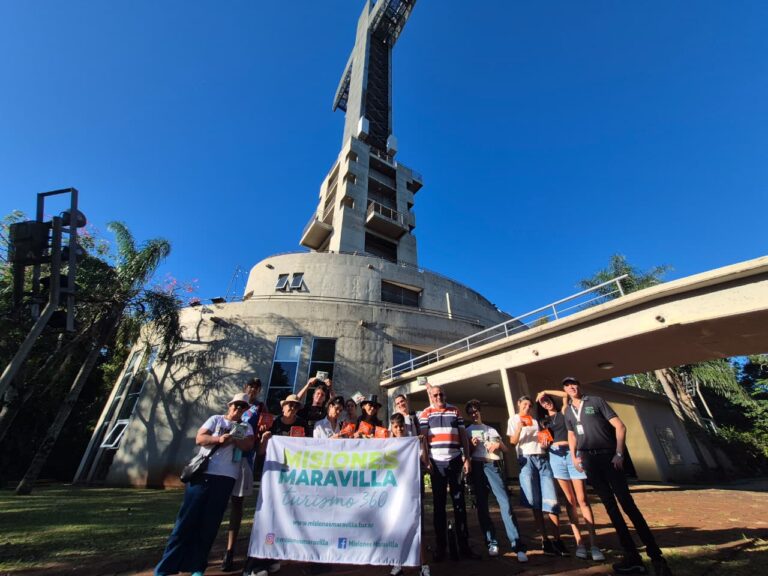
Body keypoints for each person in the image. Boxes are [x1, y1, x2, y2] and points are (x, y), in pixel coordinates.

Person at [563, 377, 672, 576]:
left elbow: (620, 426)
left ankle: (656, 557)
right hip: (589, 459)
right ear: (564, 389)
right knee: (610, 507)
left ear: (579, 385)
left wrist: (619, 453)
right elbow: (571, 435)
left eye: (574, 383)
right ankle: (632, 557)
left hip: (609, 457)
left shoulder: (596, 401)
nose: (572, 387)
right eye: (567, 385)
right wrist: (574, 457)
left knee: (627, 504)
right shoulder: (568, 411)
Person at [154, 393, 255, 576]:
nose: (238, 409)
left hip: (226, 477)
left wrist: (234, 439)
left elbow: (248, 446)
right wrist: (219, 439)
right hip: (203, 475)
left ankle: (197, 566)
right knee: (185, 521)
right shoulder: (216, 420)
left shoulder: (245, 426)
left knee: (210, 524)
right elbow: (200, 438)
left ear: (246, 410)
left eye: (243, 407)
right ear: (229, 404)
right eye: (236, 405)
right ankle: (167, 565)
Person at [535, 389, 604, 562]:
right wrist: (543, 444)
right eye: (542, 402)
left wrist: (543, 391)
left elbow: (565, 395)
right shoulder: (543, 422)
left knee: (582, 499)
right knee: (570, 501)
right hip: (555, 458)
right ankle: (580, 543)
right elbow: (543, 443)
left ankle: (594, 544)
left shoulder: (564, 412)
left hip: (571, 455)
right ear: (541, 406)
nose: (546, 402)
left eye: (547, 400)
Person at [243, 394, 308, 576]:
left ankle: (271, 557)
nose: (292, 408)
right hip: (272, 476)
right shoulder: (273, 423)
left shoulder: (302, 424)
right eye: (290, 405)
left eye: (295, 406)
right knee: (265, 517)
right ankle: (253, 564)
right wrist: (264, 439)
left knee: (283, 517)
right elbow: (261, 451)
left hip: (291, 477)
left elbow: (307, 449)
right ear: (283, 406)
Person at [419, 385, 481, 562]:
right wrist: (426, 460)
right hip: (436, 463)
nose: (439, 397)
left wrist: (467, 458)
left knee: (459, 504)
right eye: (435, 394)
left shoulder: (455, 411)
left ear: (445, 395)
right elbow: (423, 439)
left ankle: (464, 545)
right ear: (431, 396)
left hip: (455, 461)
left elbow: (463, 436)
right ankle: (441, 547)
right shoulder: (426, 413)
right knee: (439, 506)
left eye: (441, 394)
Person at [465, 399, 528, 563]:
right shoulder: (467, 431)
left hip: (492, 465)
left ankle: (517, 544)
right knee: (482, 507)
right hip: (477, 466)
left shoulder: (490, 429)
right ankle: (491, 542)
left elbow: (506, 449)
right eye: (471, 412)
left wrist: (497, 445)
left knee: (505, 503)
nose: (474, 414)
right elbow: (466, 453)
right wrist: (471, 446)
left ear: (480, 411)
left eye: (476, 410)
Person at [507, 395, 567, 557]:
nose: (527, 407)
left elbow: (545, 439)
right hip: (526, 460)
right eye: (524, 404)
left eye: (529, 405)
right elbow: (512, 442)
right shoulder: (513, 420)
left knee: (551, 500)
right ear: (518, 404)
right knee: (535, 501)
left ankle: (557, 539)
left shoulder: (537, 421)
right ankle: (545, 539)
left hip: (542, 458)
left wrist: (545, 443)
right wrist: (519, 427)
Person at [222, 378, 266, 572]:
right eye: (251, 387)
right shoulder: (237, 405)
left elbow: (258, 428)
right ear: (245, 387)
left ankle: (230, 551)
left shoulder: (259, 407)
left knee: (237, 503)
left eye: (257, 388)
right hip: (223, 458)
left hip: (244, 457)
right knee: (217, 503)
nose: (253, 390)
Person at [389, 412, 431, 576]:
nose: (399, 429)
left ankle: (424, 565)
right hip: (395, 493)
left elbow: (425, 462)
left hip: (413, 490)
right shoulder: (388, 444)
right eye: (396, 426)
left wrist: (424, 444)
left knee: (418, 527)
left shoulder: (413, 442)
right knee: (396, 527)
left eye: (401, 426)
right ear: (392, 428)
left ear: (405, 427)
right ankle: (397, 564)